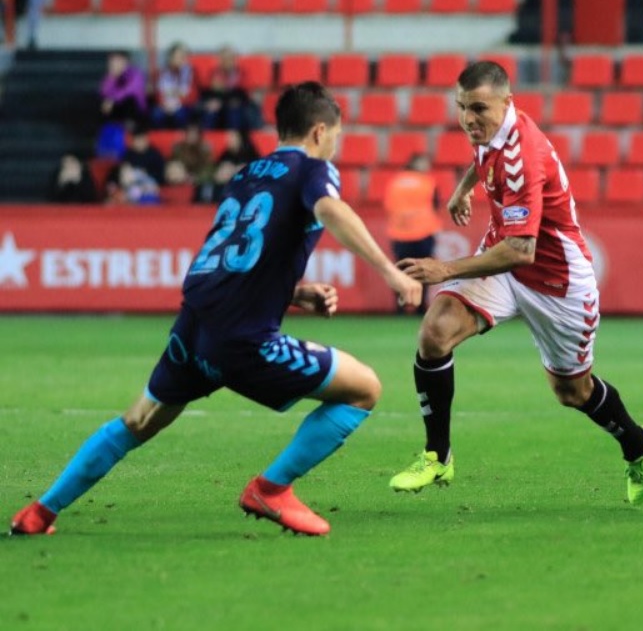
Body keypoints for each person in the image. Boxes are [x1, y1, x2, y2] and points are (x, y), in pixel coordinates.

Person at [10, 82, 423, 537]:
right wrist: (391, 273)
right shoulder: (314, 170)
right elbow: (333, 211)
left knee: (139, 420)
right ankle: (272, 488)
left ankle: (41, 511)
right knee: (364, 388)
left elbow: (233, 257)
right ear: (320, 131)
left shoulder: (244, 176)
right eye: (336, 137)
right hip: (243, 339)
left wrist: (293, 292)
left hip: (196, 324)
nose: (336, 146)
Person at [388, 61, 643, 505]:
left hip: (557, 281)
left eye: (478, 108)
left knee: (573, 392)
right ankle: (438, 455)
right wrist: (463, 190)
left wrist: (445, 269)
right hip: (505, 263)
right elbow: (482, 160)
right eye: (461, 107)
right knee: (435, 332)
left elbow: (522, 251)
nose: (468, 118)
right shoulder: (491, 131)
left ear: (507, 103)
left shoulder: (522, 155)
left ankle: (640, 445)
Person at [384, 153, 440, 314]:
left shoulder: (395, 182)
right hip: (423, 232)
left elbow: (388, 205)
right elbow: (435, 205)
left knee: (400, 271)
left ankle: (400, 306)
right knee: (423, 271)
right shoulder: (428, 182)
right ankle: (420, 307)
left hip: (399, 233)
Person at [151, 42, 196, 129]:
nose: (182, 59)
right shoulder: (161, 72)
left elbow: (193, 95)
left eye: (184, 57)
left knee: (181, 115)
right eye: (179, 57)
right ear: (171, 57)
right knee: (156, 114)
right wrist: (164, 104)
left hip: (182, 105)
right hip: (164, 105)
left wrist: (178, 103)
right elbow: (158, 93)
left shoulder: (191, 72)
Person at [99, 51, 147, 128]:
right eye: (112, 62)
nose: (116, 65)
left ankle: (130, 127)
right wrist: (112, 78)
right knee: (102, 102)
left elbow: (131, 91)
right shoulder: (110, 76)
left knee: (129, 100)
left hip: (136, 112)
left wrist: (113, 99)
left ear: (126, 62)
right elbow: (104, 92)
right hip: (117, 109)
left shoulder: (136, 73)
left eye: (119, 61)